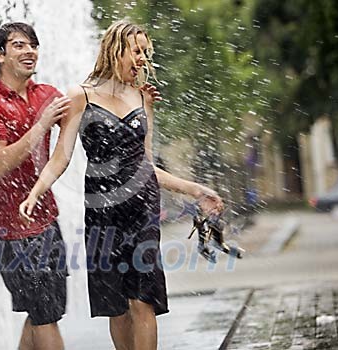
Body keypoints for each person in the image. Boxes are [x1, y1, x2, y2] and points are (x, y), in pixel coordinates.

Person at [19, 20, 223, 350]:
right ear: (116, 50)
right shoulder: (80, 96)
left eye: (146, 52)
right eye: (137, 51)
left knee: (143, 300)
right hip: (102, 213)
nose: (143, 59)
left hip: (141, 210)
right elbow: (61, 157)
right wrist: (36, 193)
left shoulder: (143, 99)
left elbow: (148, 165)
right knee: (117, 306)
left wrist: (196, 189)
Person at [0, 22, 71, 350]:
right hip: (10, 226)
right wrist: (42, 124)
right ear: (0, 55)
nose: (30, 52)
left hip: (46, 217)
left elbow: (82, 108)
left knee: (43, 311)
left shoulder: (47, 95)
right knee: (45, 315)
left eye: (33, 45)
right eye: (20, 46)